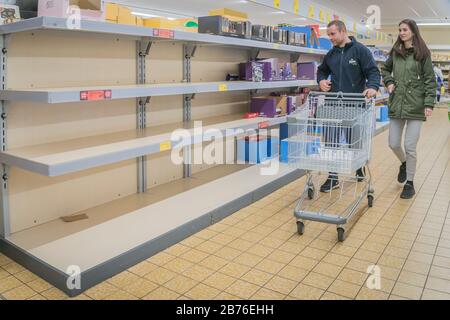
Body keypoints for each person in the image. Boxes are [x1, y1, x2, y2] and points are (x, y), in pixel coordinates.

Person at [316, 20, 381, 193]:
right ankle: (332, 177)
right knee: (331, 141)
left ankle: (359, 166)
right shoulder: (331, 54)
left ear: (343, 31)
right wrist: (321, 80)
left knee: (355, 140)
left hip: (354, 104)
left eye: (333, 34)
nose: (330, 38)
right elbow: (322, 70)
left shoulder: (361, 51)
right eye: (328, 34)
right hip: (333, 104)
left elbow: (373, 72)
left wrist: (372, 87)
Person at [381, 19, 436, 199]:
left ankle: (410, 183)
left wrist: (428, 103)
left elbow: (429, 79)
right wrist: (389, 83)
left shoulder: (423, 53)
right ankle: (404, 163)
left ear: (413, 31)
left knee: (410, 145)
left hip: (416, 104)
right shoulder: (396, 52)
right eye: (400, 30)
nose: (401, 32)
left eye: (404, 29)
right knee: (393, 143)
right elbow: (385, 70)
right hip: (398, 102)